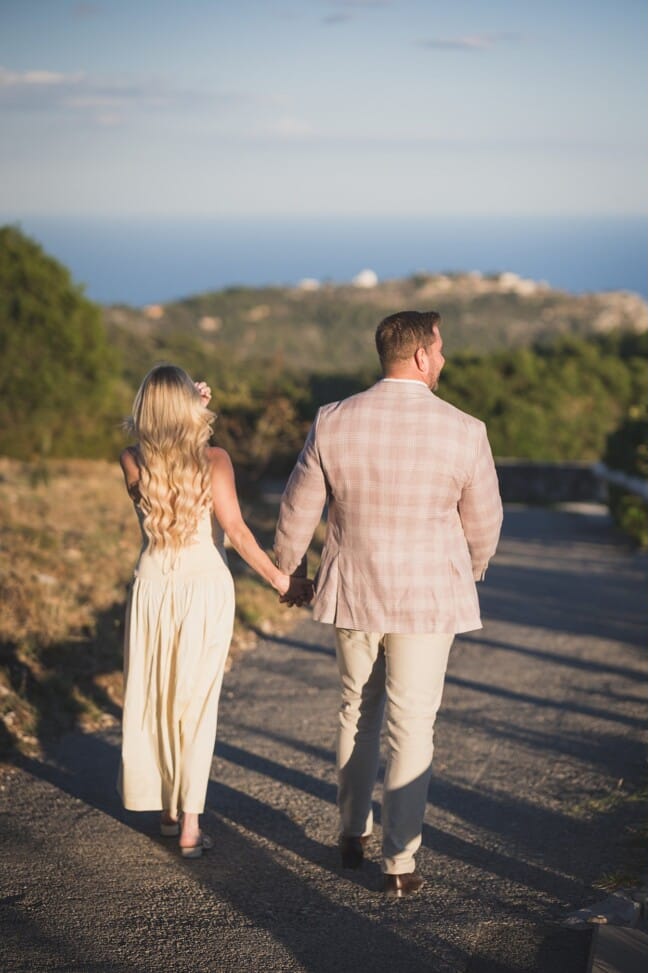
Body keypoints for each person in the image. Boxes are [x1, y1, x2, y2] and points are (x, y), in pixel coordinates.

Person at [273, 309, 503, 898]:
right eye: (441, 349)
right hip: (428, 597)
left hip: (353, 589)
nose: (444, 359)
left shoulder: (333, 420)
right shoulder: (465, 429)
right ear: (422, 355)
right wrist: (469, 570)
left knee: (357, 710)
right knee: (412, 725)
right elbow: (485, 523)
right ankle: (399, 864)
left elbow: (299, 507)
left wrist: (292, 573)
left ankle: (353, 834)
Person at [118, 365, 292, 857]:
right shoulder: (214, 459)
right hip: (204, 587)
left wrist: (182, 405)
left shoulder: (131, 460)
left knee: (158, 697)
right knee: (195, 705)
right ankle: (191, 823)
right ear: (191, 409)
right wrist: (281, 580)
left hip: (153, 586)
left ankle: (168, 812)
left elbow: (162, 451)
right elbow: (236, 533)